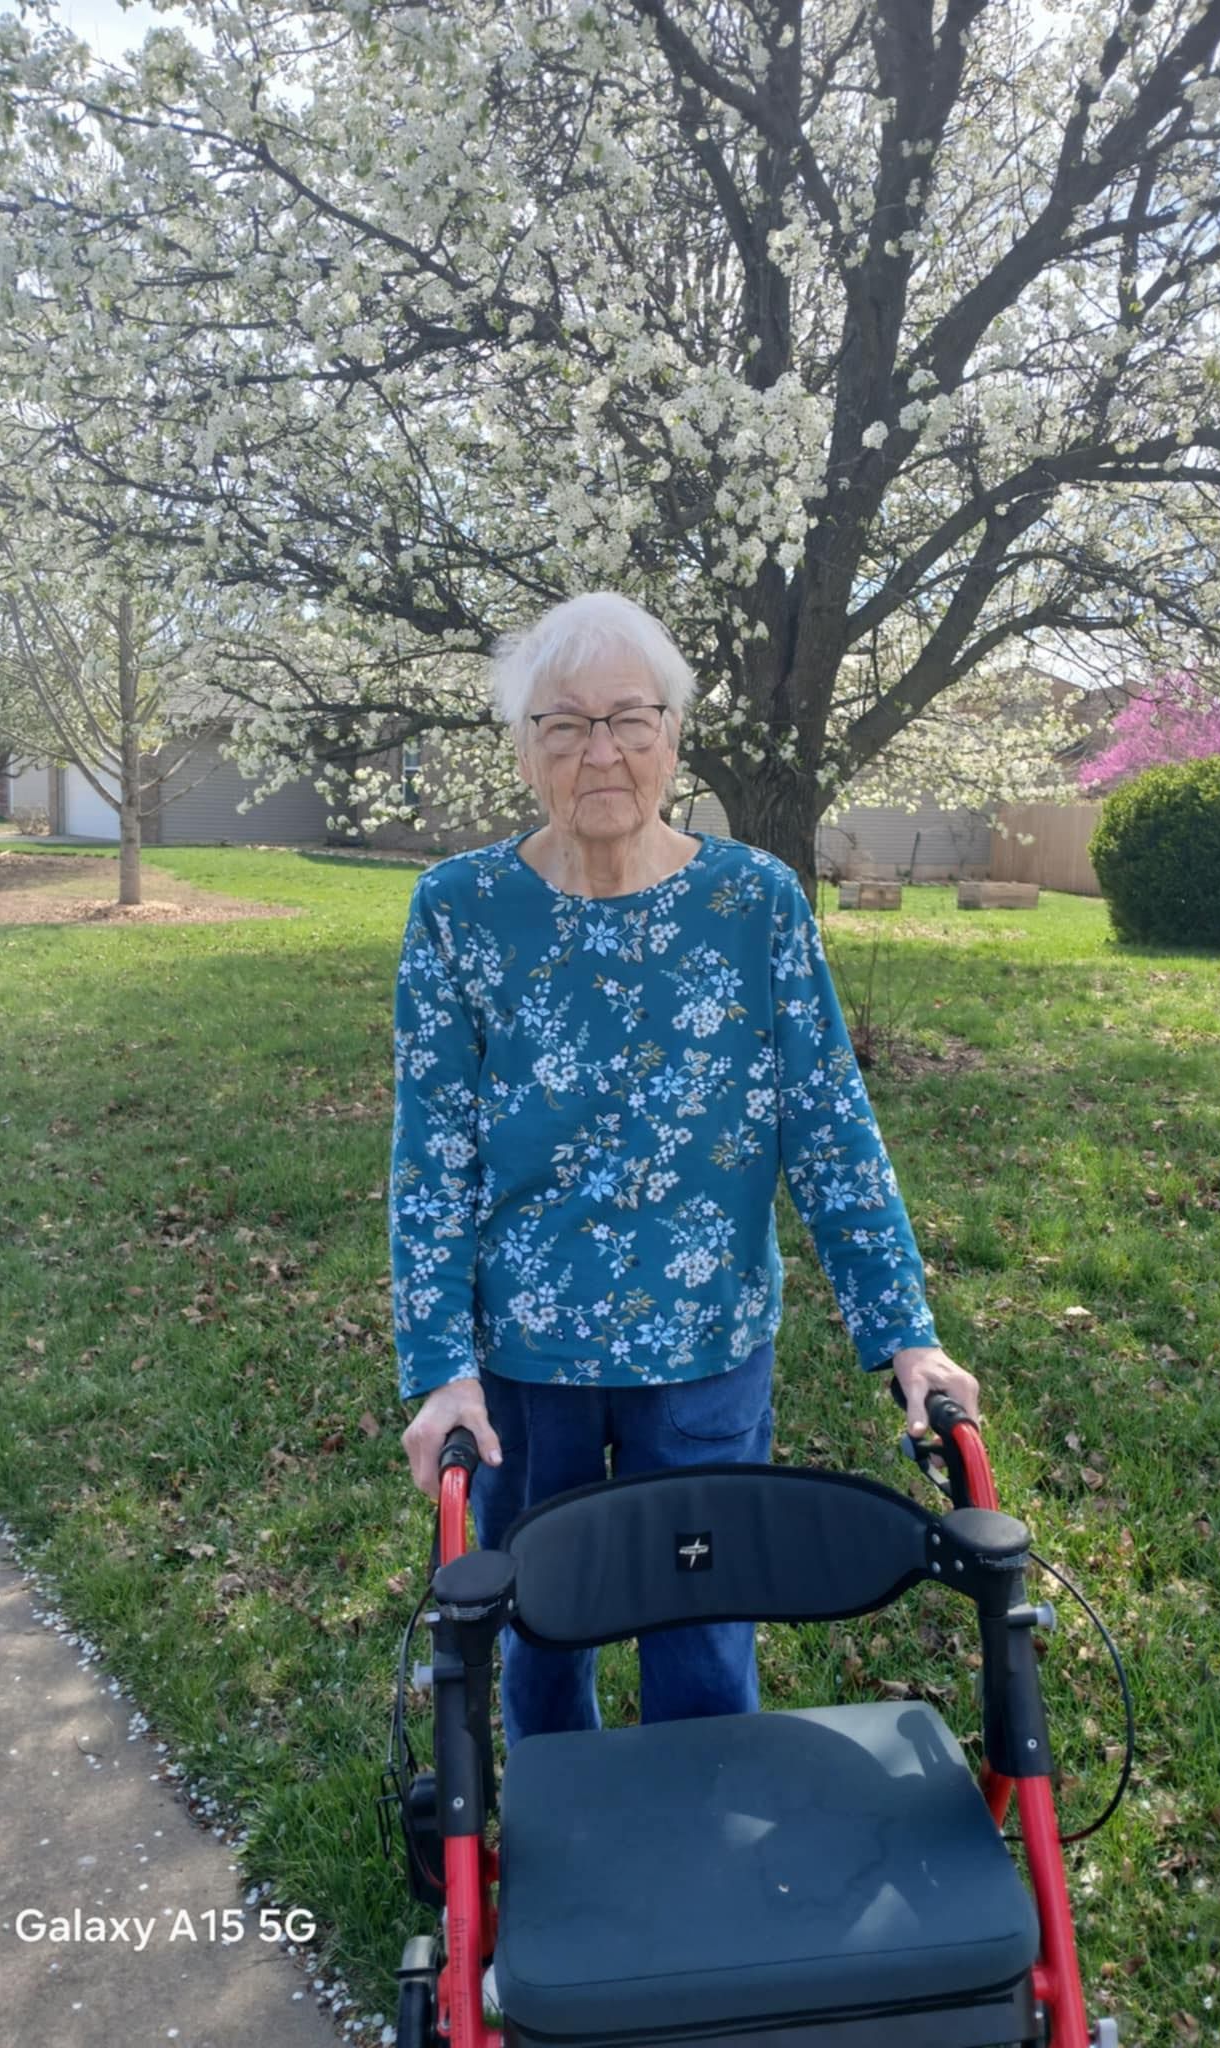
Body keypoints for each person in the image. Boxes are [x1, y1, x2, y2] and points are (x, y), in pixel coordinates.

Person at [391, 591, 979, 1743]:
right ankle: (564, 1873)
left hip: (708, 1343)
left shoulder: (752, 901)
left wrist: (905, 1330)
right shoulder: (460, 910)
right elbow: (431, 1156)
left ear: (673, 736)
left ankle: (702, 1863)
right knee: (540, 1628)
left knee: (705, 1635)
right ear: (523, 749)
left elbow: (829, 1124)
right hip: (525, 1359)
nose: (599, 750)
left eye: (627, 719)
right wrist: (439, 1366)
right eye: (563, 725)